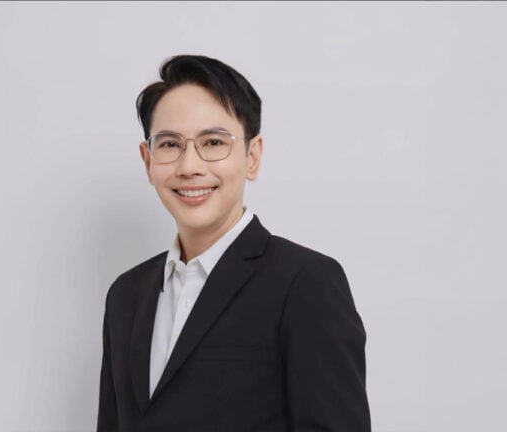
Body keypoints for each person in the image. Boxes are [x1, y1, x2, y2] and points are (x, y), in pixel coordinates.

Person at [97, 54, 371, 431]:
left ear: (252, 157)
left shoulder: (305, 283)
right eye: (170, 144)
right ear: (147, 161)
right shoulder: (126, 295)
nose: (189, 166)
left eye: (213, 142)